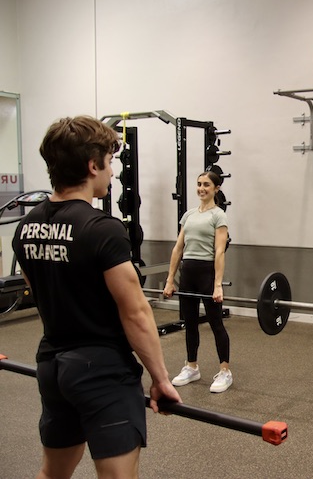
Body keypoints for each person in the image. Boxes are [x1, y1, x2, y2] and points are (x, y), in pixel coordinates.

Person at [11, 115, 181, 479]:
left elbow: (40, 292)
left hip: (52, 367)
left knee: (52, 473)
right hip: (102, 371)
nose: (113, 171)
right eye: (110, 162)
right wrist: (161, 379)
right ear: (92, 165)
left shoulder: (26, 228)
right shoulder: (103, 229)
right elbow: (135, 313)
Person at [164, 170, 232, 393]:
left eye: (206, 185)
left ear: (216, 188)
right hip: (188, 273)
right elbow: (178, 248)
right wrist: (169, 280)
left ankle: (225, 371)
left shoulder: (218, 216)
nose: (201, 188)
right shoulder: (189, 215)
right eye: (199, 184)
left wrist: (218, 285)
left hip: (207, 272)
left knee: (215, 323)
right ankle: (191, 366)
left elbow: (219, 251)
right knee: (190, 322)